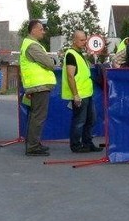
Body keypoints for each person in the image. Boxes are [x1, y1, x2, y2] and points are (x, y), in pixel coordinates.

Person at [62, 30, 103, 154]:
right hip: (79, 94)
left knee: (91, 119)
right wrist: (75, 95)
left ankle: (87, 143)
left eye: (85, 39)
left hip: (87, 93)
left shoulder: (80, 54)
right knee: (79, 121)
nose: (85, 42)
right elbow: (70, 75)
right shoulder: (70, 55)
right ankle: (76, 145)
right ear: (74, 40)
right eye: (81, 40)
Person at [20, 19, 57, 157]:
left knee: (35, 116)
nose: (43, 32)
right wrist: (52, 61)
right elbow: (49, 63)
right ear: (33, 30)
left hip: (36, 86)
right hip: (39, 86)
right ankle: (33, 146)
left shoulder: (29, 44)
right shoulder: (33, 46)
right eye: (41, 29)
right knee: (38, 117)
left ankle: (33, 143)